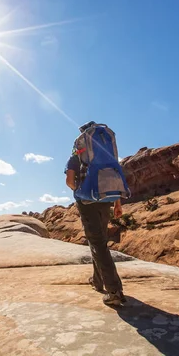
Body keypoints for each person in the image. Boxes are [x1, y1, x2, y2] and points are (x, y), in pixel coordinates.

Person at [65, 125, 127, 307]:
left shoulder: (76, 156)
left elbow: (69, 181)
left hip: (87, 202)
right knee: (99, 241)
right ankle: (97, 280)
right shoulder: (107, 157)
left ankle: (114, 291)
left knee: (97, 243)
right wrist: (117, 204)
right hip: (107, 199)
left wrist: (79, 192)